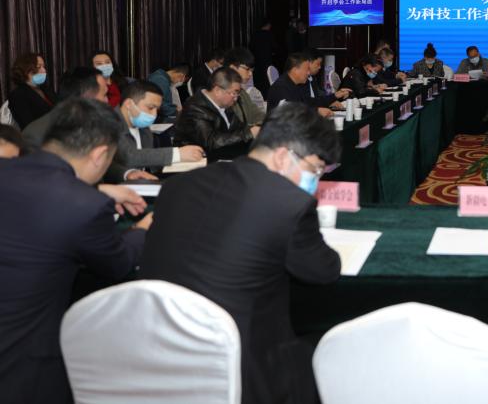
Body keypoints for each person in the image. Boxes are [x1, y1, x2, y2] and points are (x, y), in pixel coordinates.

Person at [140, 103, 342, 404]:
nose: (315, 183)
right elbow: (323, 269)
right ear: (283, 156)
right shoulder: (289, 202)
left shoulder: (178, 186)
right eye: (314, 170)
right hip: (243, 369)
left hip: (158, 355)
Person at [0, 98, 150, 403]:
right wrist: (142, 230)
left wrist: (98, 189)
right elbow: (118, 263)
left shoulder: (9, 169)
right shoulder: (85, 206)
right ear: (99, 155)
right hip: (23, 361)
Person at [108, 81, 205, 181]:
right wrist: (178, 154)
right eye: (150, 108)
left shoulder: (143, 126)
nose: (154, 115)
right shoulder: (109, 123)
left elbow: (147, 159)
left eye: (157, 110)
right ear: (129, 104)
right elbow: (129, 156)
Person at [174, 67, 260, 159]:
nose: (236, 98)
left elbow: (238, 129)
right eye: (234, 93)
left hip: (224, 154)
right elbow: (211, 143)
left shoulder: (224, 104)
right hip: (201, 160)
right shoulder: (194, 109)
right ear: (218, 91)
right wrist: (248, 134)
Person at [21, 67, 109, 149]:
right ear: (87, 96)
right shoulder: (37, 135)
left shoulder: (101, 124)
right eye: (105, 94)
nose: (107, 100)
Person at [267, 53, 345, 115]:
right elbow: (292, 112)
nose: (308, 73)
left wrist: (334, 96)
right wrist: (316, 111)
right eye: (307, 69)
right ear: (295, 70)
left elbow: (311, 102)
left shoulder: (295, 84)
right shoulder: (280, 87)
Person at [7, 52, 55, 127]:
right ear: (26, 70)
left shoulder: (45, 89)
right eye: (39, 67)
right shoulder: (18, 95)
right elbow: (28, 124)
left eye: (43, 66)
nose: (44, 70)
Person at [224, 47, 265, 127]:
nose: (250, 74)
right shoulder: (223, 94)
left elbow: (257, 114)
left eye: (252, 70)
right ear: (232, 68)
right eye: (247, 69)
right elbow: (234, 127)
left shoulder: (242, 93)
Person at [249, 17, 275, 94]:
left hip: (256, 62)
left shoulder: (255, 34)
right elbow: (274, 47)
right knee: (267, 81)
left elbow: (251, 47)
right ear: (268, 25)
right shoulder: (269, 35)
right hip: (267, 62)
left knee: (258, 82)